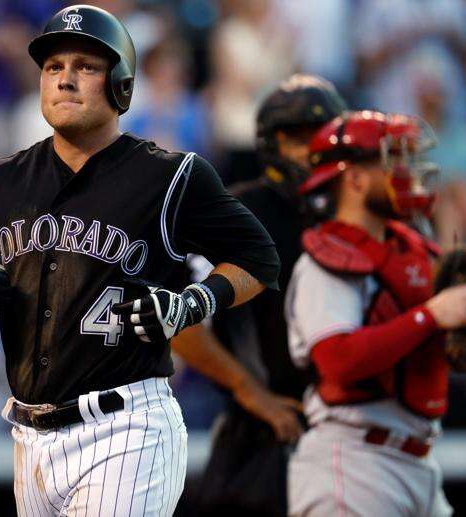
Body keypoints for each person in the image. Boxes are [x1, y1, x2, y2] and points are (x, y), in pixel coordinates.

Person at [0, 5, 280, 516]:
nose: (65, 80)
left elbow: (259, 259)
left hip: (126, 427)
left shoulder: (171, 176)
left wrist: (194, 302)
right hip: (29, 438)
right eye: (53, 67)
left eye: (85, 67)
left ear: (121, 85)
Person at [285, 110, 466, 516]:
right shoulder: (326, 260)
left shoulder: (414, 248)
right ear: (354, 179)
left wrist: (457, 335)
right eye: (393, 159)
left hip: (415, 461)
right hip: (354, 463)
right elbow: (338, 360)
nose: (408, 171)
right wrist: (431, 316)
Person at [173, 74, 347, 516]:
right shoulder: (239, 212)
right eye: (297, 139)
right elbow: (177, 321)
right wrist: (251, 391)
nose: (311, 151)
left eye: (322, 137)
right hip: (263, 438)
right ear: (272, 144)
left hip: (349, 438)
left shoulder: (354, 211)